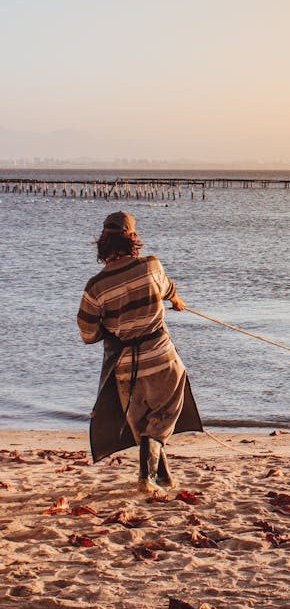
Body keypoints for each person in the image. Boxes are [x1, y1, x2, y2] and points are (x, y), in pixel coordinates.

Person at [78, 211, 202, 492]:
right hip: (160, 355)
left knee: (142, 423)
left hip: (124, 365)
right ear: (131, 238)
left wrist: (107, 329)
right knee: (161, 418)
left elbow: (87, 333)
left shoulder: (95, 287)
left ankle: (164, 477)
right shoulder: (151, 266)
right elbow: (168, 288)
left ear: (104, 243)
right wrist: (176, 300)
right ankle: (146, 478)